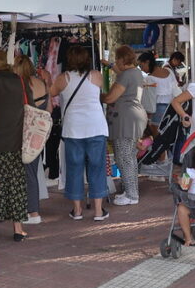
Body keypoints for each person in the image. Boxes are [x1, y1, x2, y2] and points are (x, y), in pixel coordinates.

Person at [50, 45, 109, 221]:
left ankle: (77, 211)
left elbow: (51, 92)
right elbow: (101, 91)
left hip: (73, 129)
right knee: (96, 168)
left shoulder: (63, 78)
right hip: (96, 127)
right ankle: (98, 211)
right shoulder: (95, 76)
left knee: (74, 169)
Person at [0, 49, 31, 241]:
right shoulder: (19, 81)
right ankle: (18, 228)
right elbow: (30, 107)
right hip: (16, 140)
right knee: (16, 185)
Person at [102, 45, 148, 205]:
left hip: (125, 120)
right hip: (133, 118)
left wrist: (100, 95)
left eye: (117, 59)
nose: (116, 62)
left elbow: (110, 98)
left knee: (124, 157)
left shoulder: (126, 75)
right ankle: (130, 191)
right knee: (129, 157)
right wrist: (108, 65)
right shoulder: (135, 72)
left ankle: (132, 195)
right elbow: (119, 71)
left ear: (122, 59)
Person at [12, 55, 50, 225]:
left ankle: (32, 212)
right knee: (32, 171)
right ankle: (31, 210)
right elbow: (48, 109)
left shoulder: (18, 85)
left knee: (25, 173)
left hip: (21, 133)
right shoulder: (41, 83)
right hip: (38, 134)